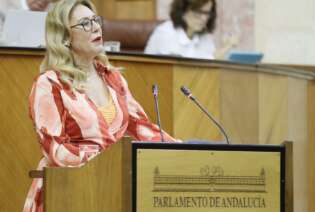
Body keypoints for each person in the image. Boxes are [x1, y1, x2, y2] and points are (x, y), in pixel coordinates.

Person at [23, 0, 176, 211]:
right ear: (65, 37)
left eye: (96, 20)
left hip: (110, 190)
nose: (96, 27)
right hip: (66, 193)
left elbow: (140, 127)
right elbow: (55, 149)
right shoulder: (50, 84)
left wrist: (180, 147)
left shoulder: (112, 77)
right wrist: (110, 160)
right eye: (85, 23)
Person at [145, 0, 234, 60]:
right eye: (198, 12)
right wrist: (226, 47)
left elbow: (212, 66)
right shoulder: (165, 32)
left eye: (207, 13)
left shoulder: (204, 37)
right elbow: (186, 66)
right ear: (183, 11)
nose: (204, 18)